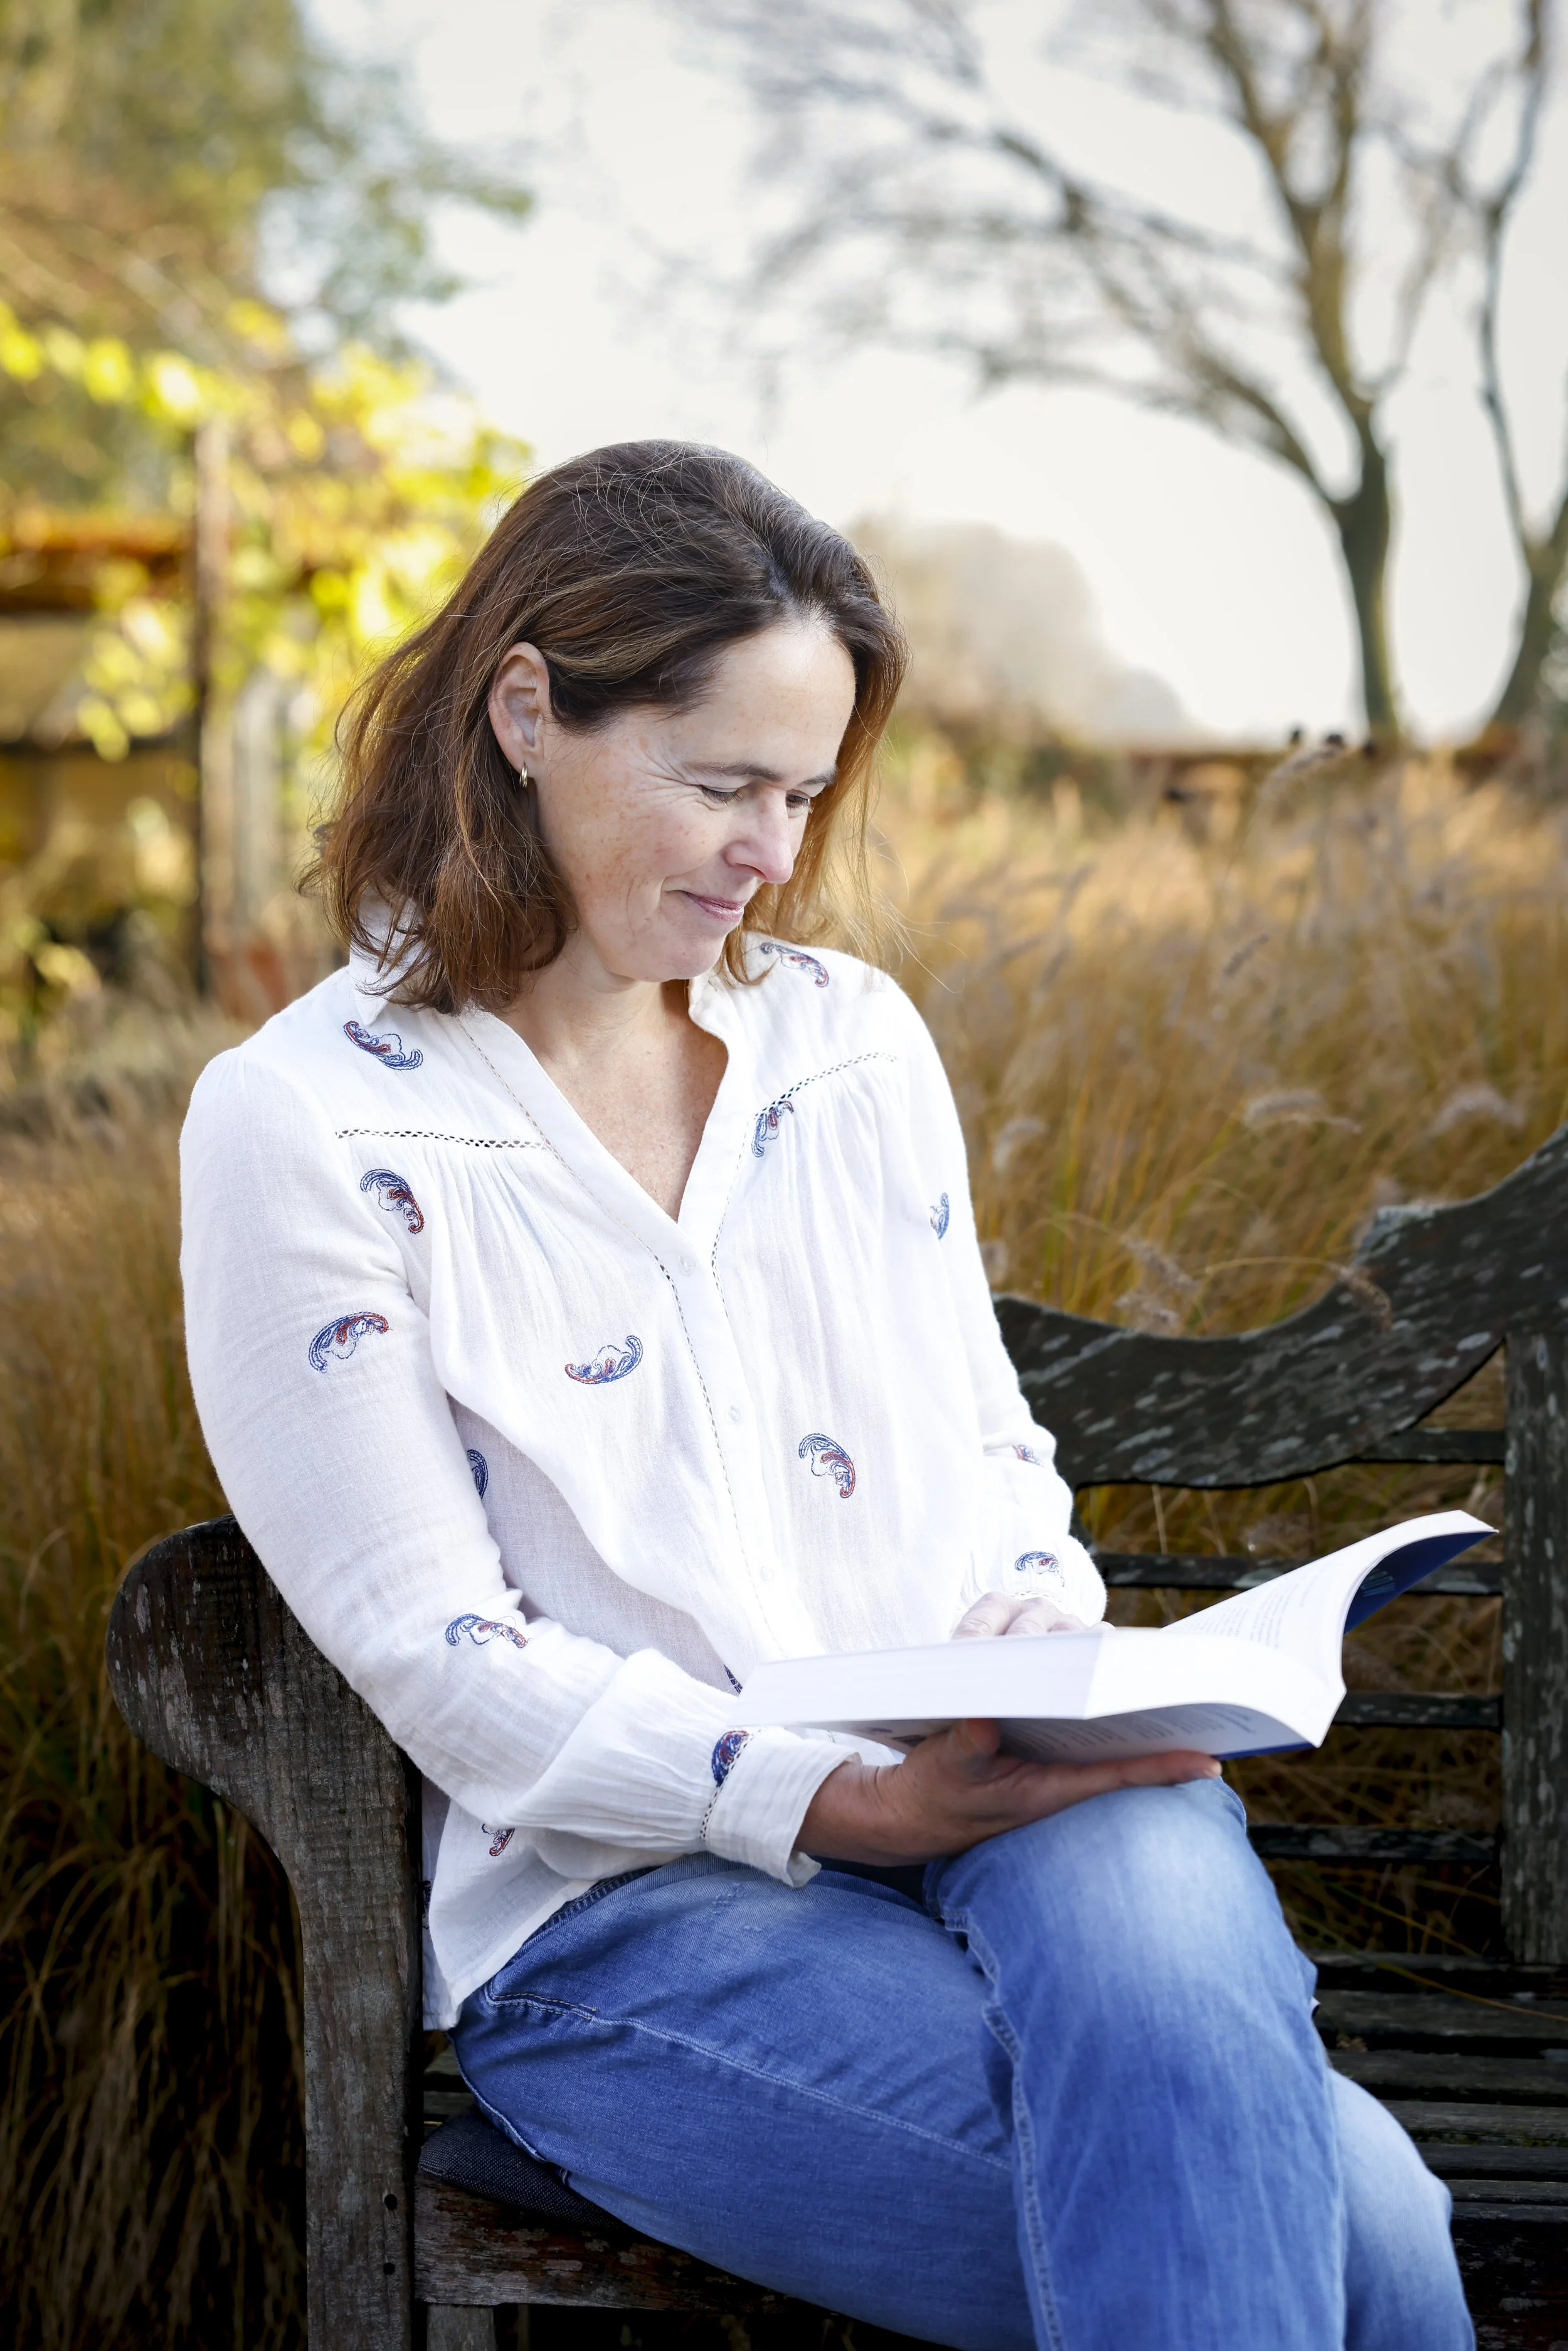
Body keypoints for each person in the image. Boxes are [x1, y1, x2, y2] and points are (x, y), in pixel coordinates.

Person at [180, 440, 1471, 2350]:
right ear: (526, 708)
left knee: (1214, 2005)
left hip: (1007, 1780)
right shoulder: (311, 1118)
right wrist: (838, 1801)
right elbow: (432, 1642)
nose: (765, 852)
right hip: (636, 1916)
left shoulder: (847, 1042)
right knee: (1366, 2226)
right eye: (715, 782)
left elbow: (988, 1448)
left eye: (796, 794)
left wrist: (1040, 1635)